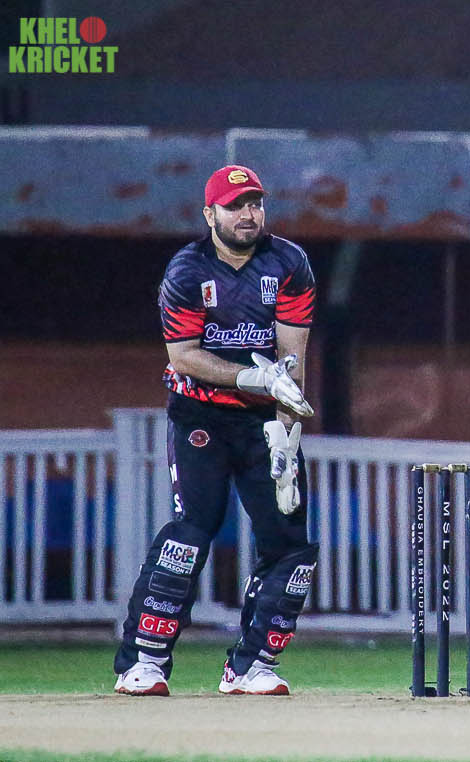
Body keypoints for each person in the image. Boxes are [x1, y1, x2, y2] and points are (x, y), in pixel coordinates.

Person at [112, 165, 319, 696]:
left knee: (289, 542)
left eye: (255, 203)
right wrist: (251, 376)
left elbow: (292, 362)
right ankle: (144, 662)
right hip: (200, 415)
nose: (248, 214)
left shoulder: (288, 263)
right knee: (192, 530)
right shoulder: (187, 271)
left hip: (263, 420)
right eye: (235, 206)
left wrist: (288, 432)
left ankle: (250, 666)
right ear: (210, 214)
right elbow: (183, 356)